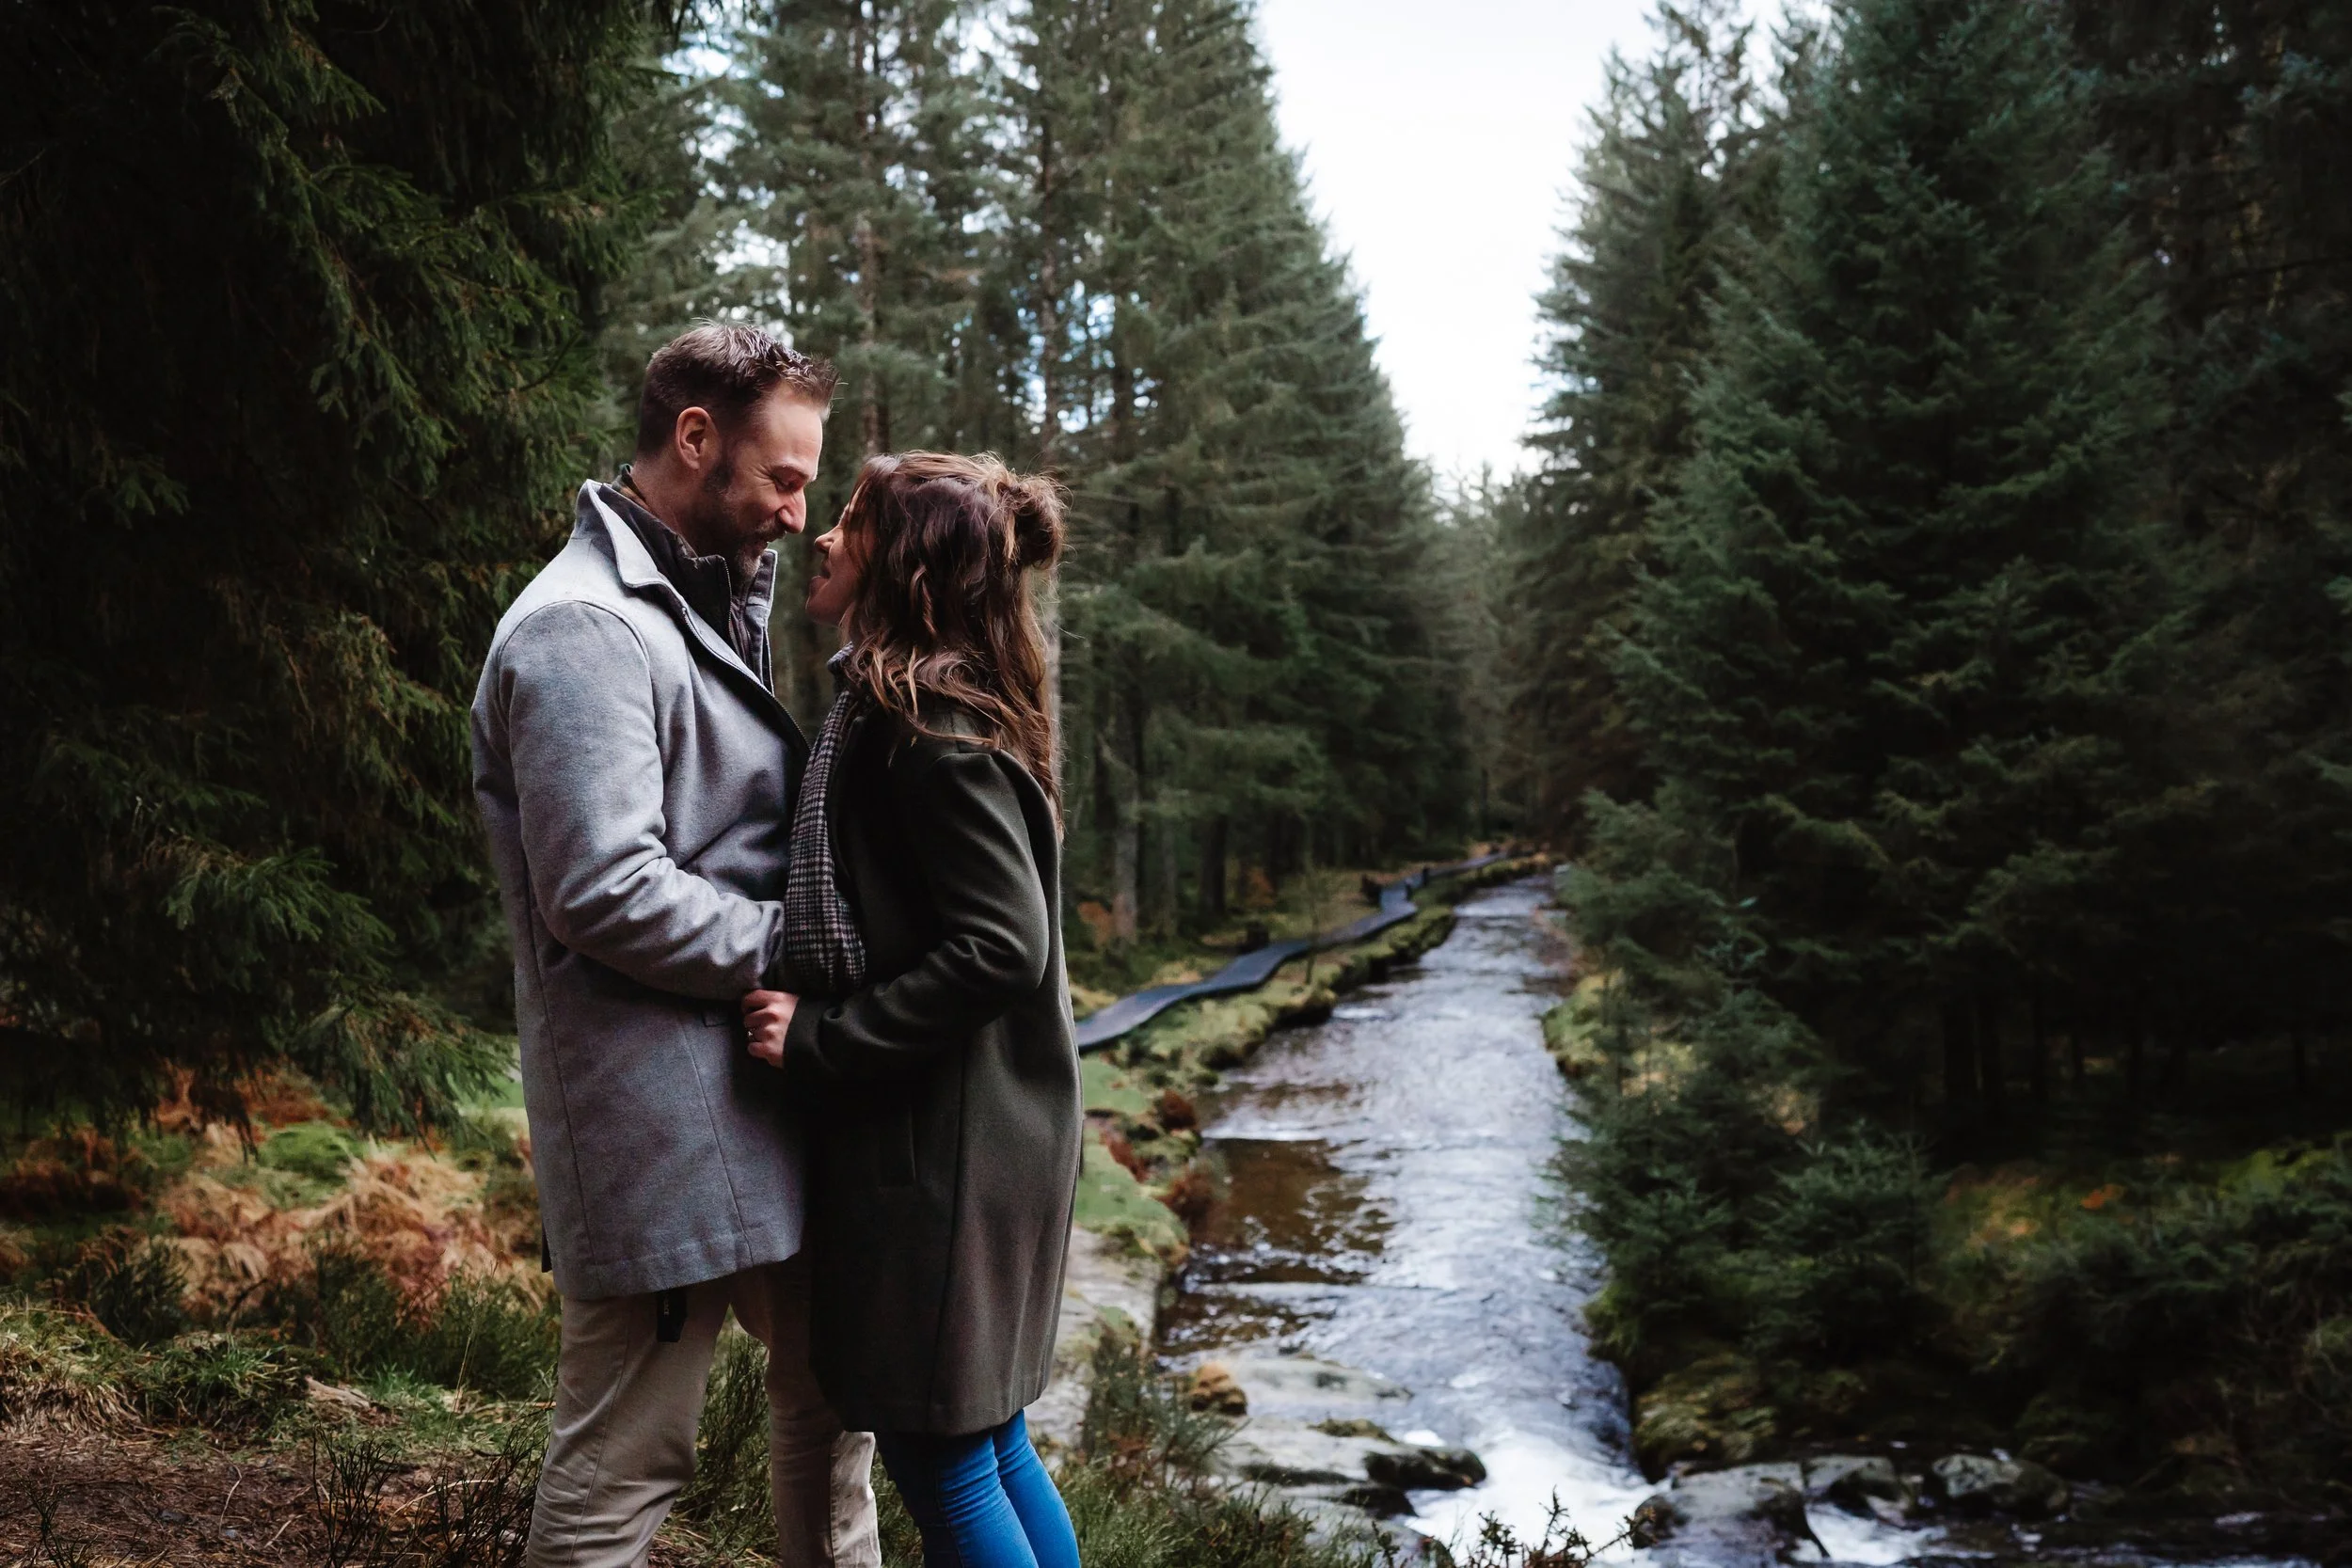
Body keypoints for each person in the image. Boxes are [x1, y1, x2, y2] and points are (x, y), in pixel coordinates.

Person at [470, 323, 880, 1568]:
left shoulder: (696, 592)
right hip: (655, 1123)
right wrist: (804, 939)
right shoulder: (580, 630)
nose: (800, 514)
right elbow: (601, 888)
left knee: (835, 1422)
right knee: (622, 1466)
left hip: (762, 1103)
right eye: (783, 476)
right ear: (694, 437)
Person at [740, 452, 1084, 1568]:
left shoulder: (926, 727)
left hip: (953, 1154)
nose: (824, 537)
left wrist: (826, 1036)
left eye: (852, 522)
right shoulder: (923, 709)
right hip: (981, 1136)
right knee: (987, 1439)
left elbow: (1001, 945)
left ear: (911, 567)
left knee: (942, 1453)